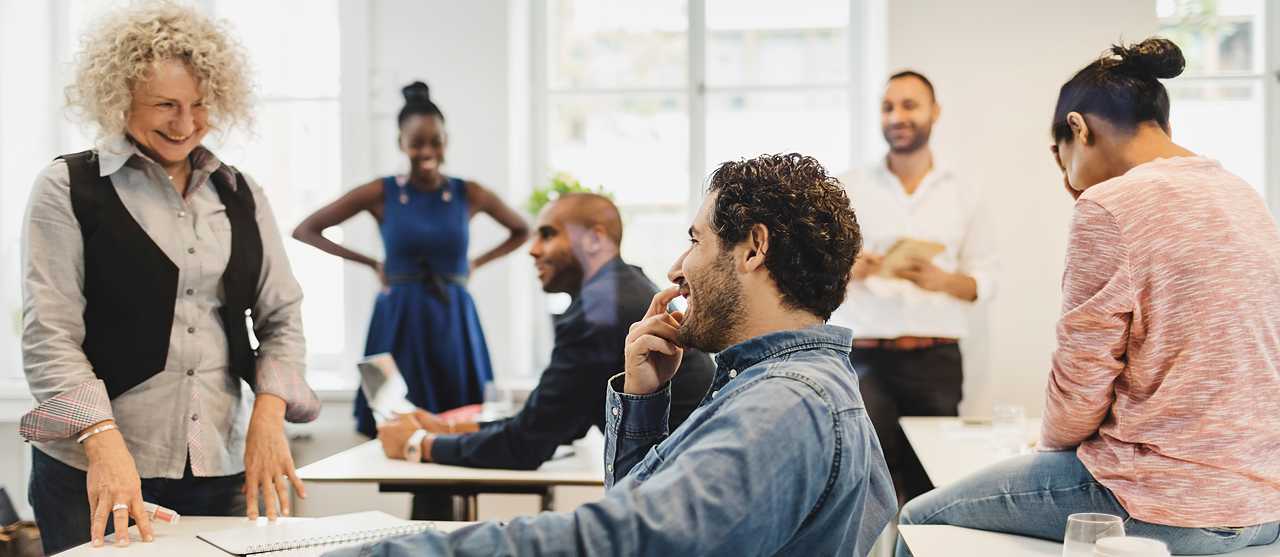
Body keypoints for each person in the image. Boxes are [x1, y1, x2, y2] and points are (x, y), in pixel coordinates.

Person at [327, 153, 896, 557]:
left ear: (753, 249)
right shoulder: (796, 383)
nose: (677, 268)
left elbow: (626, 540)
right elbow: (644, 511)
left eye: (696, 240)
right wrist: (644, 401)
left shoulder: (784, 407)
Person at [896, 38, 1280, 556]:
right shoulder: (1243, 195)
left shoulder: (1110, 204)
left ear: (1077, 129)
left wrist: (1048, 451)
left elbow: (1082, 382)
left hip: (1156, 502)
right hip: (1261, 506)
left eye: (1061, 160)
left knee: (921, 515)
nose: (1067, 182)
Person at [18, 4, 319, 554]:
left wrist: (269, 417)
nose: (186, 124)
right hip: (98, 465)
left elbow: (282, 316)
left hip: (218, 465)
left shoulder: (242, 193)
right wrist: (103, 446)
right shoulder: (67, 187)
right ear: (119, 97)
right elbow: (49, 334)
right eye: (165, 105)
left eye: (200, 105)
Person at [376, 193, 714, 471]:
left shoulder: (598, 313)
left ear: (595, 239)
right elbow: (554, 420)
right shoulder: (618, 289)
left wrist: (417, 444)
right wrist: (443, 427)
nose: (533, 248)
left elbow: (525, 444)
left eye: (549, 234)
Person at [292, 82, 529, 438]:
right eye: (417, 142)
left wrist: (475, 263)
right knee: (399, 426)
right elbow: (307, 229)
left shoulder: (469, 193)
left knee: (460, 425)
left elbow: (522, 230)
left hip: (453, 320)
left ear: (446, 140)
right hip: (399, 319)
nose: (427, 150)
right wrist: (372, 263)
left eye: (435, 141)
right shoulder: (382, 192)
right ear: (401, 144)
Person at [830, 70, 999, 504]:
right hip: (866, 361)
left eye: (909, 105)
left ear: (933, 113)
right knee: (866, 486)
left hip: (936, 360)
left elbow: (986, 278)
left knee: (931, 490)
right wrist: (854, 268)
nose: (897, 116)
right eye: (888, 107)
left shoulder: (965, 189)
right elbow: (822, 274)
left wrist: (941, 280)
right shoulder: (849, 187)